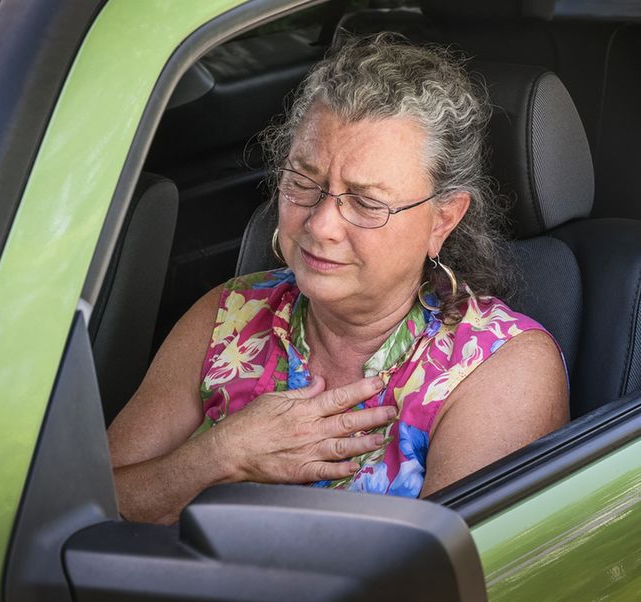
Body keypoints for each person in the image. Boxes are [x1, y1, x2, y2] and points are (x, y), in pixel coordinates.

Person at [107, 34, 569, 525]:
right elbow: (79, 508)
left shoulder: (499, 368)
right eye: (304, 182)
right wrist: (220, 455)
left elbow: (441, 580)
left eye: (367, 202)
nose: (321, 225)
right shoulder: (227, 315)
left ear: (443, 220)